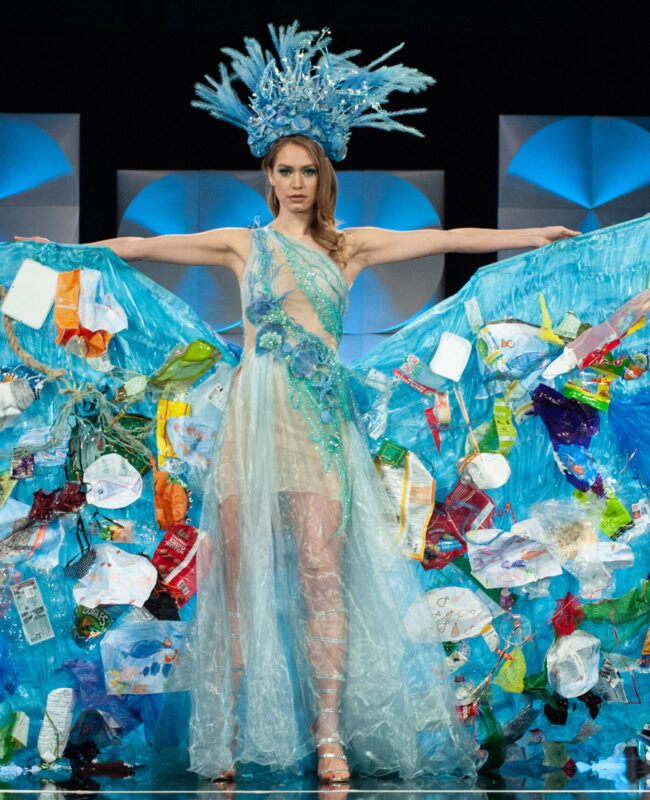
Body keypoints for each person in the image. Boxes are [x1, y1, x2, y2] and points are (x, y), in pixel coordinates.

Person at [17, 24, 578, 785]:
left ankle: (327, 733)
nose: (296, 183)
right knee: (241, 574)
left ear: (323, 176)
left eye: (307, 171)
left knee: (320, 569)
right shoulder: (242, 245)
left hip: (317, 417)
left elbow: (448, 236)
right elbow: (142, 250)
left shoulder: (349, 247)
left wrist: (530, 234)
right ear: (268, 176)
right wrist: (61, 255)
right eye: (284, 170)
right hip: (253, 415)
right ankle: (235, 725)